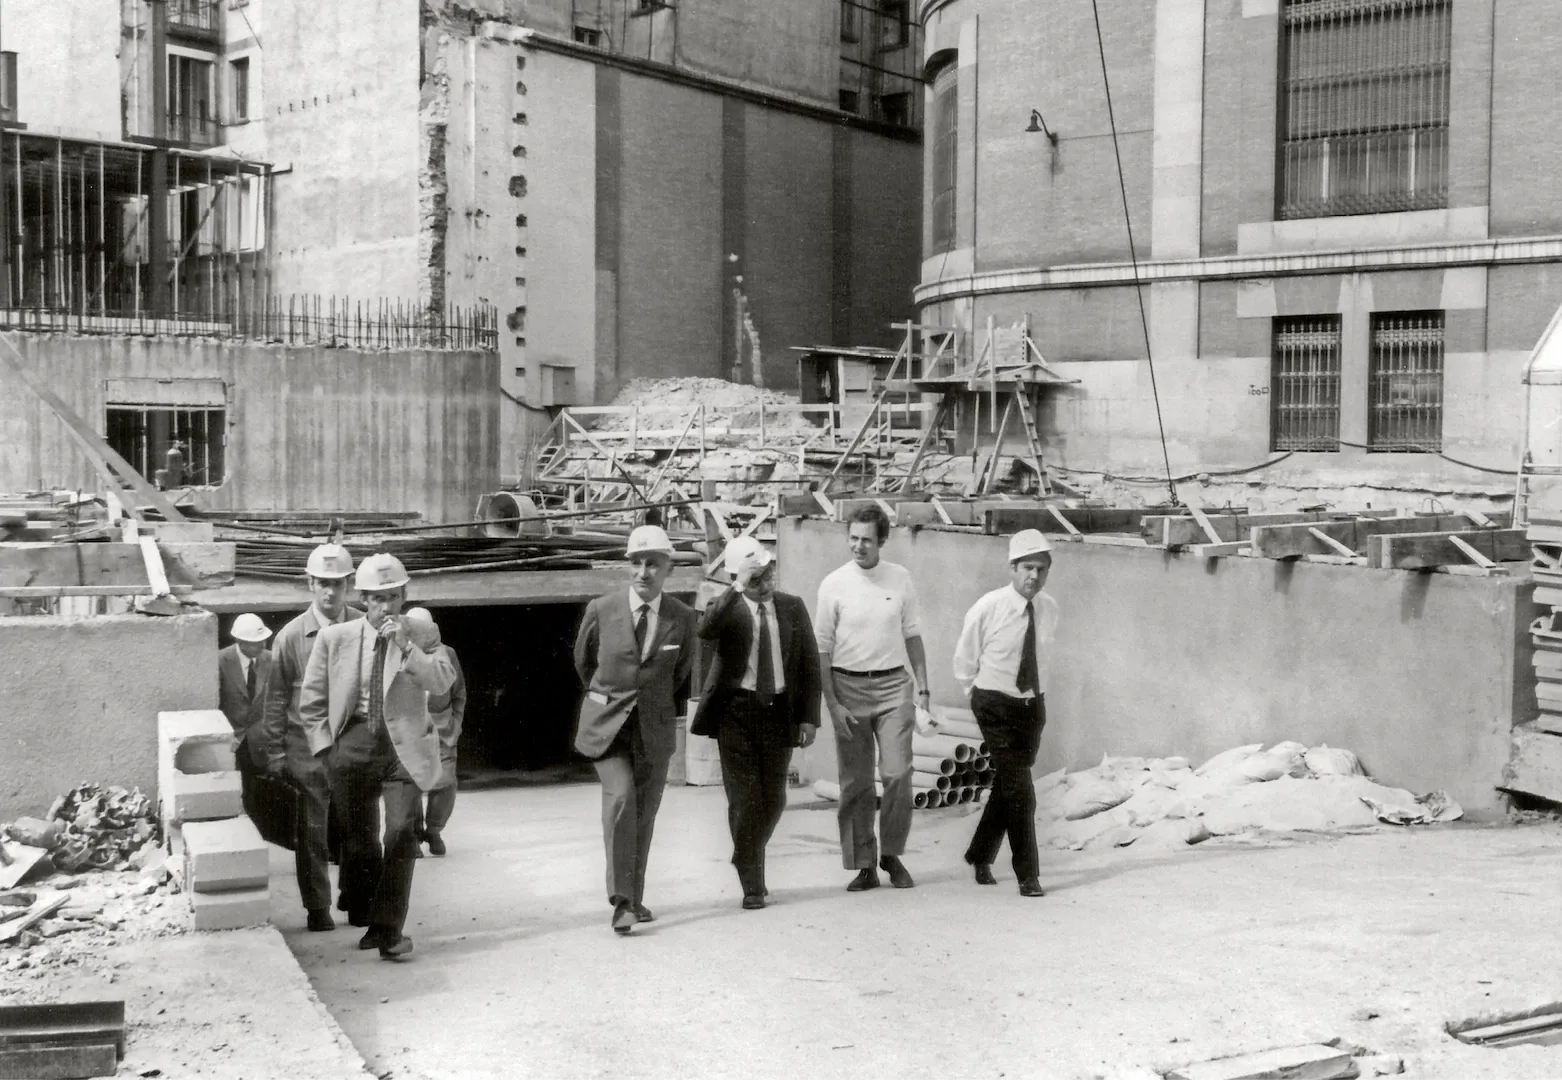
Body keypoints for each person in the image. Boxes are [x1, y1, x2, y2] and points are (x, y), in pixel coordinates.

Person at [300, 553, 454, 960]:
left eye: (392, 597)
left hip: (403, 745)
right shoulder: (336, 638)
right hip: (352, 743)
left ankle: (388, 930)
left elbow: (441, 683)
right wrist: (325, 750)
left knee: (402, 830)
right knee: (359, 840)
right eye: (376, 599)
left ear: (404, 596)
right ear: (363, 598)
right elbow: (312, 700)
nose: (385, 607)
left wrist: (407, 647)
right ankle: (369, 915)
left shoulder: (422, 632)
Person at [572, 525, 696, 935]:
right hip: (607, 726)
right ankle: (622, 902)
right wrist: (612, 698)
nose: (643, 572)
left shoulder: (682, 617)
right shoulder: (601, 609)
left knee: (644, 815)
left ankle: (636, 897)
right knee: (621, 800)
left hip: (653, 728)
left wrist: (649, 702)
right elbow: (585, 665)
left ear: (668, 569)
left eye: (653, 564)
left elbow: (679, 675)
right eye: (637, 563)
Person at [691, 535, 820, 910]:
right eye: (757, 576)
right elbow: (705, 630)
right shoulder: (726, 607)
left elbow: (810, 665)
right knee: (745, 800)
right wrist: (737, 586)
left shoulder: (792, 607)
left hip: (779, 710)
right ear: (741, 577)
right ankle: (752, 882)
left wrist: (809, 717)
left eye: (769, 573)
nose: (767, 582)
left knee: (774, 798)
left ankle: (744, 853)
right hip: (736, 712)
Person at [815, 505, 929, 892]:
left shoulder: (900, 579)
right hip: (847, 688)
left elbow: (912, 634)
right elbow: (822, 650)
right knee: (857, 782)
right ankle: (864, 864)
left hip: (894, 687)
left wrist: (924, 688)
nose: (858, 546)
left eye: (866, 539)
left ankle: (891, 855)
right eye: (853, 538)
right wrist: (833, 703)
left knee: (898, 774)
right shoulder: (833, 584)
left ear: (881, 540)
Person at [952, 529, 1060, 898]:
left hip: (1030, 706)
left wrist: (1036, 700)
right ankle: (1027, 875)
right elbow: (965, 659)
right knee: (1021, 792)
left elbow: (1041, 657)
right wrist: (977, 696)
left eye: (1041, 569)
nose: (1034, 576)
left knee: (1008, 784)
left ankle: (979, 854)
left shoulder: (1049, 608)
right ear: (1012, 568)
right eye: (1028, 567)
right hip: (994, 703)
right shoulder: (989, 607)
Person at [258, 543, 358, 933]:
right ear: (310, 584)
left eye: (337, 583)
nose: (330, 592)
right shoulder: (290, 637)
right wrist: (276, 753)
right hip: (306, 751)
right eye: (322, 583)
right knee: (312, 833)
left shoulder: (363, 627)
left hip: (352, 745)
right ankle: (318, 907)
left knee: (356, 828)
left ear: (349, 583)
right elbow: (276, 698)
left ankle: (355, 895)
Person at [405, 608, 467, 858]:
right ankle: (413, 834)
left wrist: (456, 724)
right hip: (409, 733)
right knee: (409, 787)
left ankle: (434, 829)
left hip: (442, 732)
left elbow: (459, 694)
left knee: (446, 784)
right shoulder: (398, 652)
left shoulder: (447, 654)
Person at [218, 613, 275, 833]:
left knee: (257, 790)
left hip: (259, 739)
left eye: (263, 640)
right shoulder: (220, 661)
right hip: (231, 738)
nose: (262, 644)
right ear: (240, 642)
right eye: (256, 642)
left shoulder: (271, 659)